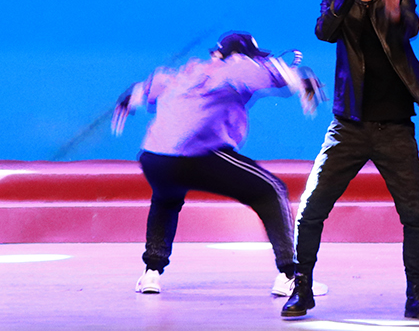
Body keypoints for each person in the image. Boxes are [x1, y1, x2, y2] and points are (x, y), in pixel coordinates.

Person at [281, 0, 419, 321]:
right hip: (348, 127)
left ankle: (416, 295)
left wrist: (395, 14)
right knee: (311, 209)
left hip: (395, 127)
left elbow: (412, 27)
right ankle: (302, 289)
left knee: (414, 214)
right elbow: (325, 32)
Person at [112, 31, 325, 295]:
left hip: (154, 159)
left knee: (166, 200)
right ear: (237, 55)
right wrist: (303, 79)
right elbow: (279, 74)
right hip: (198, 155)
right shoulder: (236, 66)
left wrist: (127, 101)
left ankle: (150, 273)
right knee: (272, 191)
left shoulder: (183, 73)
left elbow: (143, 90)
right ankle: (291, 276)